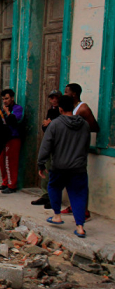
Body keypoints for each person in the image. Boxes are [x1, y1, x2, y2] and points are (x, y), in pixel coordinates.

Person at [38, 95, 90, 238]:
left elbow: (46, 146)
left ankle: (57, 216)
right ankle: (80, 227)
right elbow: (86, 147)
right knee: (79, 195)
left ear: (60, 109)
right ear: (73, 107)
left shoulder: (55, 124)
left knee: (54, 187)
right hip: (78, 168)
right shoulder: (84, 125)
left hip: (59, 166)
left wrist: (41, 163)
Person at [60, 83, 99, 220]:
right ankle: (73, 205)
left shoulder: (83, 108)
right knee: (69, 179)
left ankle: (85, 211)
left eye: (66, 92)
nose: (64, 94)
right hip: (68, 148)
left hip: (78, 149)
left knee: (80, 180)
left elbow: (94, 127)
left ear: (74, 94)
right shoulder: (69, 108)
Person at [32, 90, 62, 209]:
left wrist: (51, 124)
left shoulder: (63, 111)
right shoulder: (51, 111)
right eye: (52, 98)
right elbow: (46, 128)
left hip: (59, 146)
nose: (54, 100)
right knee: (46, 169)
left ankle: (54, 197)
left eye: (56, 97)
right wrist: (46, 125)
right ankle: (46, 195)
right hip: (50, 144)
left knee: (55, 172)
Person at [0, 89, 24, 194]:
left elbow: (13, 120)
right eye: (3, 99)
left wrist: (7, 112)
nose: (5, 101)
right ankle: (5, 182)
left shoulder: (17, 108)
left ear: (12, 98)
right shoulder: (2, 109)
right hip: (3, 138)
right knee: (2, 162)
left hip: (13, 137)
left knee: (11, 162)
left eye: (6, 98)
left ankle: (12, 185)